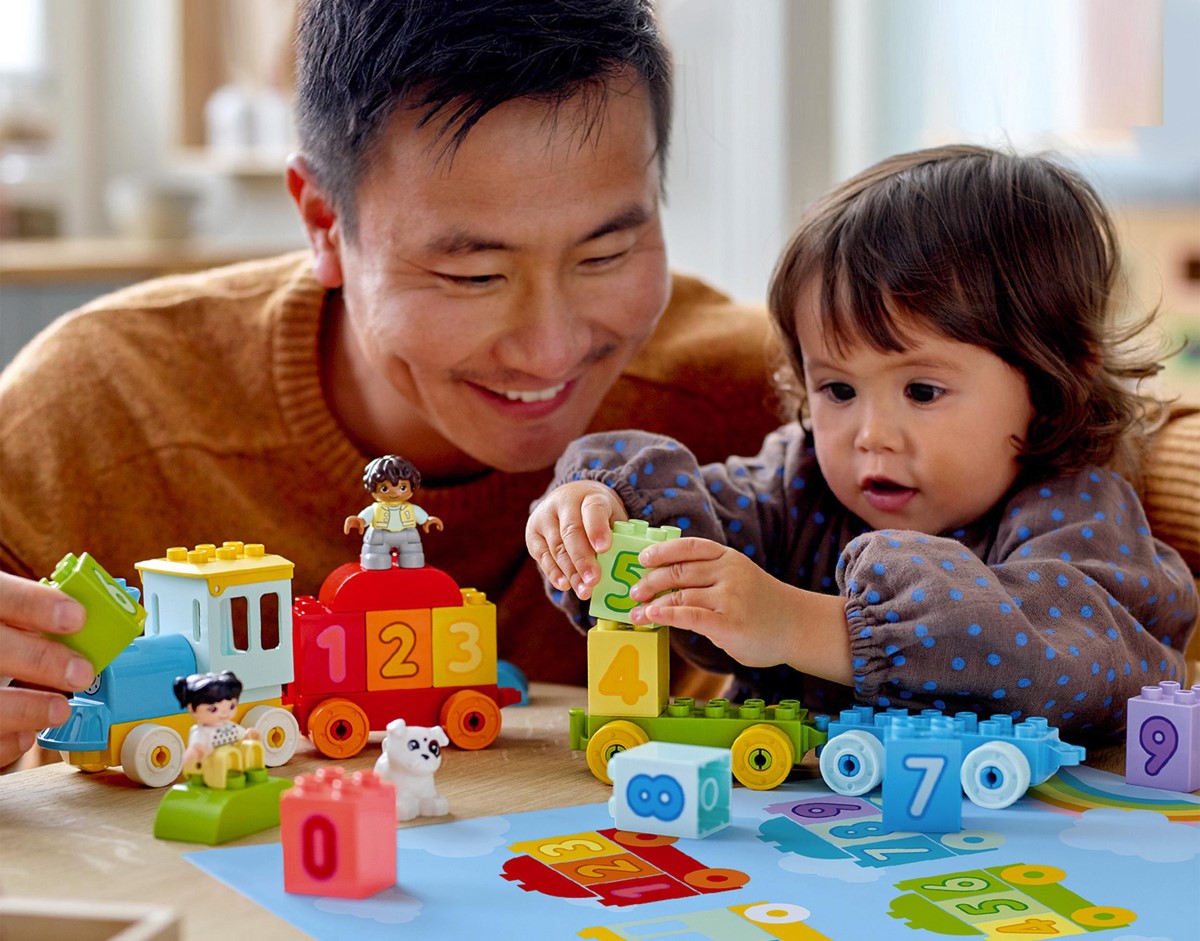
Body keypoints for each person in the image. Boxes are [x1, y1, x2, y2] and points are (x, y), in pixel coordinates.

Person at [0, 0, 781, 769]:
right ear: (323, 223)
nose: (550, 350)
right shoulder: (89, 413)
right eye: (472, 274)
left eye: (606, 255)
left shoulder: (799, 399)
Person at [527, 144, 1198, 743]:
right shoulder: (801, 480)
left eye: (923, 392)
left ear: (1052, 381)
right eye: (840, 391)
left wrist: (801, 623)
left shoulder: (1080, 510)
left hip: (991, 859)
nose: (871, 435)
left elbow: (1075, 666)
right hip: (776, 848)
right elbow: (697, 524)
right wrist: (604, 512)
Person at [344, 455, 444, 570]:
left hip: (408, 535)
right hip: (380, 536)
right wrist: (359, 521)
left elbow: (421, 516)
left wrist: (427, 520)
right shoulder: (375, 509)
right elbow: (364, 517)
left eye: (402, 487)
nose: (395, 493)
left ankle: (410, 558)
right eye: (384, 488)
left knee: (413, 558)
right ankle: (376, 559)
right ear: (372, 488)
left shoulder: (410, 508)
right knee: (376, 560)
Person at [174, 671, 264, 789]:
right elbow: (196, 748)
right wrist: (195, 752)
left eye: (231, 706)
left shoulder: (229, 726)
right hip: (212, 771)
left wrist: (248, 734)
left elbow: (241, 736)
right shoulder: (201, 732)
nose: (224, 712)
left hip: (233, 767)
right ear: (191, 708)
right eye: (213, 709)